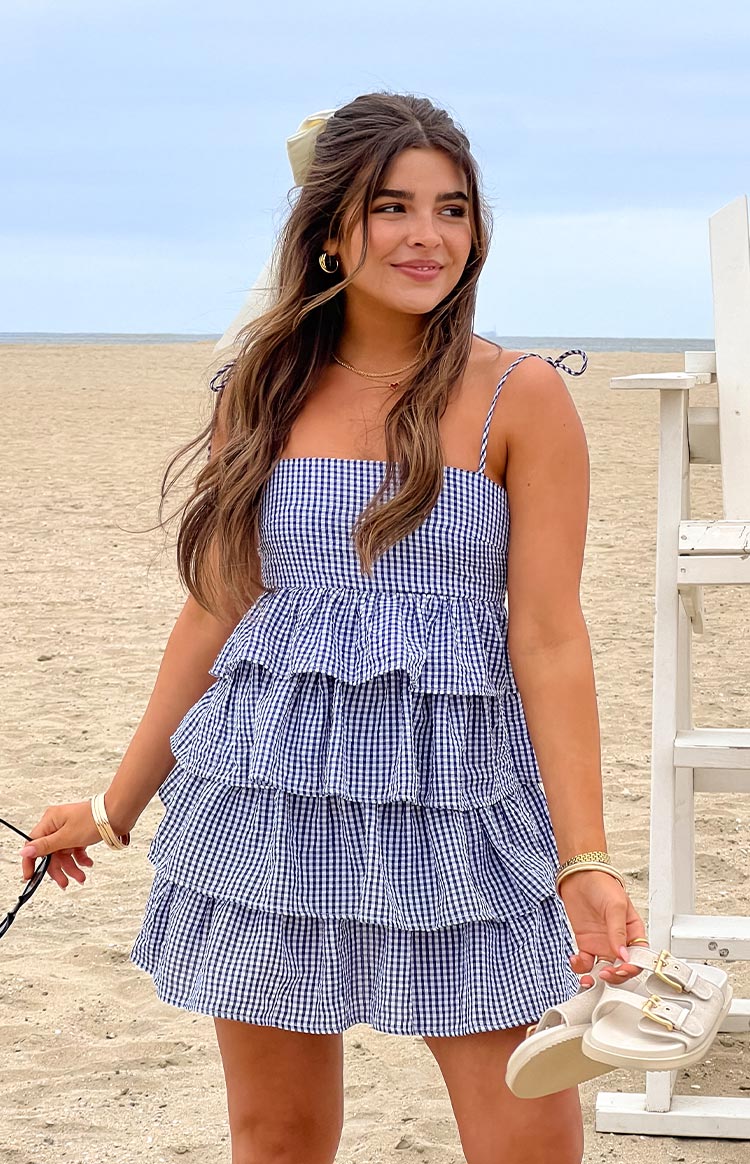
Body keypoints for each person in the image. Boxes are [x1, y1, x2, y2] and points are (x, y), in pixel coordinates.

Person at [19, 92, 647, 1164]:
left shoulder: (521, 397)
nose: (428, 236)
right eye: (391, 207)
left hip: (452, 801)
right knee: (277, 1137)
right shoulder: (261, 390)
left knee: (529, 1137)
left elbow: (548, 636)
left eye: (453, 210)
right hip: (268, 801)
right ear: (327, 232)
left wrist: (583, 856)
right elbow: (219, 610)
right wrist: (112, 807)